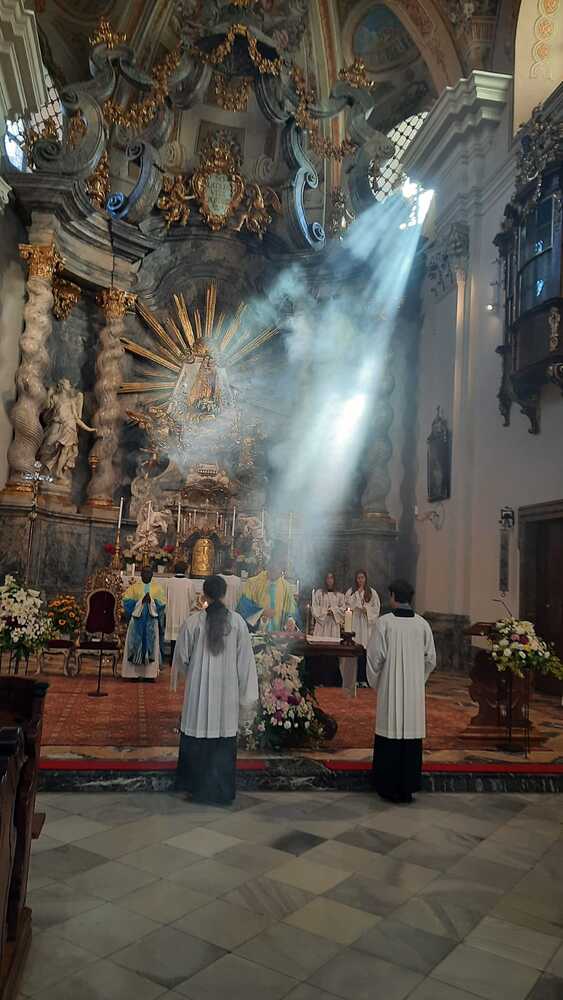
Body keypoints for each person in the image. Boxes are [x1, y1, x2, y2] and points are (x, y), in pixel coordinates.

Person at [171, 575, 259, 805]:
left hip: (198, 691)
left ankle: (197, 789)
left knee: (199, 732)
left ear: (204, 594)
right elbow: (245, 662)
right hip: (227, 691)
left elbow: (181, 658)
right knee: (223, 736)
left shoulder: (193, 622)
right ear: (224, 593)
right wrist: (247, 697)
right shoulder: (238, 623)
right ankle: (222, 791)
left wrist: (194, 672)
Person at [366, 579, 436, 804]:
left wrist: (378, 682)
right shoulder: (423, 624)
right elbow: (431, 659)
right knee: (410, 735)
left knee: (390, 730)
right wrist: (417, 680)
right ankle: (408, 787)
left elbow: (374, 658)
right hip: (414, 694)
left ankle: (387, 787)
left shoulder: (384, 623)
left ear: (394, 596)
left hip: (391, 688)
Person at [121, 565, 167, 681]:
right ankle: (133, 674)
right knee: (134, 644)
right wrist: (141, 601)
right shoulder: (134, 587)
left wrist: (151, 601)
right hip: (136, 622)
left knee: (152, 645)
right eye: (145, 573)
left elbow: (162, 604)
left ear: (152, 574)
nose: (147, 575)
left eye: (149, 573)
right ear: (141, 574)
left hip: (151, 622)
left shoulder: (158, 588)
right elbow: (126, 602)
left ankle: (149, 675)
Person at [341, 570, 380, 694]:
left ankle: (364, 679)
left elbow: (376, 608)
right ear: (355, 579)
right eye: (358, 578)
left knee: (365, 653)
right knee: (354, 654)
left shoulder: (372, 592)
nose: (360, 580)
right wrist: (355, 604)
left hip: (366, 626)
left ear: (366, 578)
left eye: (362, 577)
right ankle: (354, 679)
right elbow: (346, 606)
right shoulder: (351, 592)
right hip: (355, 624)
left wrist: (366, 610)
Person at [237, 551, 296, 632]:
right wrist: (261, 612)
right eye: (273, 568)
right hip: (257, 632)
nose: (275, 571)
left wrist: (290, 619)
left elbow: (291, 609)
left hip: (278, 634)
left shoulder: (286, 587)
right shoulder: (253, 583)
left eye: (279, 569)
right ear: (268, 566)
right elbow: (243, 607)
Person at [164, 561, 194, 662]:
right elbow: (192, 599)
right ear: (185, 570)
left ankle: (172, 659)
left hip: (172, 612)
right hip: (183, 612)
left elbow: (165, 598)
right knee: (182, 637)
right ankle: (181, 659)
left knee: (173, 638)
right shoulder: (189, 583)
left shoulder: (169, 582)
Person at [312, 572, 345, 640]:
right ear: (325, 580)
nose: (329, 580)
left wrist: (333, 611)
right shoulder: (319, 593)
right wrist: (326, 612)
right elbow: (315, 607)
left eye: (331, 578)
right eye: (328, 578)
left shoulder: (339, 594)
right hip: (321, 624)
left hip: (334, 624)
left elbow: (343, 608)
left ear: (334, 580)